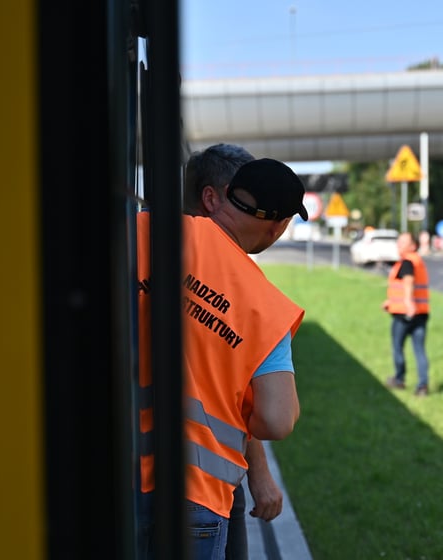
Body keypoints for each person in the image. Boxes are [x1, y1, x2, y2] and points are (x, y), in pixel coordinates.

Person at [137, 157, 308, 560]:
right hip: (194, 495)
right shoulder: (266, 307)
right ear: (278, 226)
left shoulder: (144, 229)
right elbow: (277, 420)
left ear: (224, 197)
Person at [184, 144, 287, 559]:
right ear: (212, 198)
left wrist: (259, 473)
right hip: (204, 489)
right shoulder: (254, 297)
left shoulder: (135, 237)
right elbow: (274, 417)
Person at [383, 232, 430, 396]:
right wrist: (390, 301)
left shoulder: (408, 261)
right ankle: (423, 386)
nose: (399, 244)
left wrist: (408, 303)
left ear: (413, 246)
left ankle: (399, 379)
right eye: (399, 241)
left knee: (398, 347)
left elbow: (408, 282)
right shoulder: (418, 261)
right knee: (419, 350)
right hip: (421, 313)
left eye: (404, 242)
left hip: (405, 314)